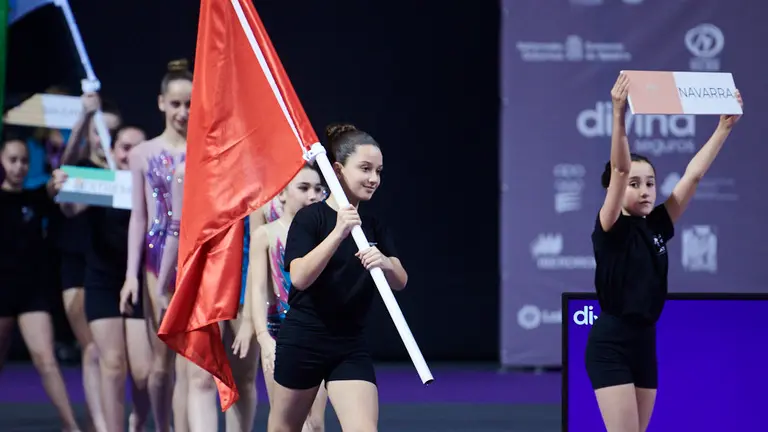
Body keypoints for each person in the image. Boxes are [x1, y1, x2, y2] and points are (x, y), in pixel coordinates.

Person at [586, 72, 743, 432]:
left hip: (645, 340)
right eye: (633, 184)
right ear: (615, 188)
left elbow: (693, 177)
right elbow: (621, 167)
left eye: (650, 183)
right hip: (611, 344)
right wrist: (618, 113)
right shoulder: (610, 226)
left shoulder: (657, 224)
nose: (644, 191)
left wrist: (723, 128)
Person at [267, 124, 408, 432]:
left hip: (349, 344)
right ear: (338, 170)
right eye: (365, 169)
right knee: (283, 429)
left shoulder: (374, 227)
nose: (374, 179)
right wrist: (338, 233)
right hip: (304, 339)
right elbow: (300, 277)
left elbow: (400, 280)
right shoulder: (311, 218)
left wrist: (385, 262)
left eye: (379, 171)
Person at [119, 59, 215, 432]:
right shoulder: (143, 153)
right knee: (160, 364)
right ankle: (162, 426)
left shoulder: (206, 153)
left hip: (197, 263)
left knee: (191, 363)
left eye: (190, 103)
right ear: (161, 103)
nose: (183, 111)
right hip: (156, 263)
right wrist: (131, 276)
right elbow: (139, 218)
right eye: (176, 104)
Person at [61, 125, 152, 432]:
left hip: (139, 282)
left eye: (137, 148)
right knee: (112, 365)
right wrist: (63, 185)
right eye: (124, 147)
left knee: (142, 372)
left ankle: (138, 421)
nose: (129, 154)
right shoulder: (102, 183)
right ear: (113, 151)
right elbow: (69, 207)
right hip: (101, 279)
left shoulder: (153, 185)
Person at [232, 165, 329, 431]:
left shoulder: (326, 235)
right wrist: (262, 336)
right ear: (282, 194)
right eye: (304, 188)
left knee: (315, 422)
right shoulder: (267, 234)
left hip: (316, 333)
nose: (312, 195)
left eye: (318, 189)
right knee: (284, 421)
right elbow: (259, 286)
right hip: (280, 334)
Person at [0, 135, 81, 432]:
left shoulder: (35, 197)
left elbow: (53, 187)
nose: (19, 167)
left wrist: (60, 173)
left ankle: (70, 425)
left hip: (32, 292)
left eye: (24, 161)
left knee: (46, 358)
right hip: (2, 292)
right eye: (12, 160)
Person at [57, 91, 123, 432]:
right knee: (92, 349)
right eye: (99, 132)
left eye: (111, 133)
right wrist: (84, 116)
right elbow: (65, 168)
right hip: (77, 265)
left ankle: (105, 419)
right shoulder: (81, 168)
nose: (104, 139)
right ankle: (99, 422)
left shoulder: (122, 173)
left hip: (105, 267)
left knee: (102, 351)